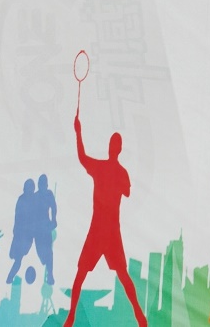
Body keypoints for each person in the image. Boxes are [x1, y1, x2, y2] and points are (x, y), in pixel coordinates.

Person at [64, 111, 146, 327]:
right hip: (106, 230)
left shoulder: (103, 169)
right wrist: (78, 132)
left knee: (86, 273)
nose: (112, 147)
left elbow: (82, 157)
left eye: (113, 144)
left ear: (114, 149)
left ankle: (71, 317)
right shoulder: (118, 172)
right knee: (113, 274)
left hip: (104, 230)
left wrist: (78, 133)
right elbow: (127, 191)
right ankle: (139, 316)